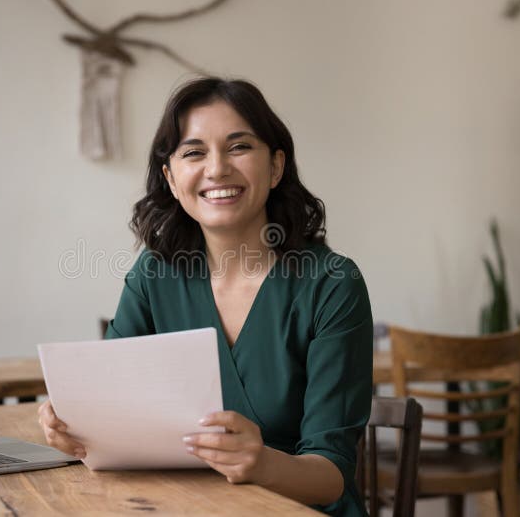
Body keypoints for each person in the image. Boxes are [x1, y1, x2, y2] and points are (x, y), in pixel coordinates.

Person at [38, 77, 373, 516]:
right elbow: (112, 411)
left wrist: (263, 464)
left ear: (275, 167)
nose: (216, 169)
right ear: (172, 179)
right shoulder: (154, 275)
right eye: (194, 152)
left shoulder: (332, 284)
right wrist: (76, 428)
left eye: (238, 147)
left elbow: (331, 476)